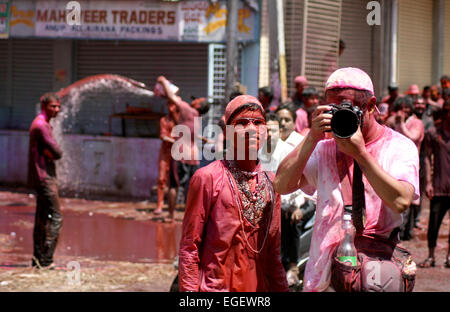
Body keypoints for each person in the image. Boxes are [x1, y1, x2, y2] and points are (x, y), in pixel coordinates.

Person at [274, 67, 419, 292]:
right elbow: (281, 185)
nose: (340, 114)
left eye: (348, 107)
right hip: (324, 277)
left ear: (370, 106)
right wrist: (311, 137)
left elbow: (401, 201)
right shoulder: (323, 148)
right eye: (333, 108)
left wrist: (360, 153)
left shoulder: (399, 146)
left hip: (375, 274)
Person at [178, 95, 289, 292]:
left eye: (258, 123)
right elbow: (189, 248)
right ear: (227, 132)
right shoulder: (207, 178)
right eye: (242, 123)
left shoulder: (273, 183)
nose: (252, 129)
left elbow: (273, 254)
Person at [157, 76, 210, 221]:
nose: (193, 100)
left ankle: (171, 215)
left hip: (180, 154)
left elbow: (171, 96)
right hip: (194, 158)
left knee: (174, 186)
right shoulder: (197, 118)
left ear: (198, 106)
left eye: (197, 100)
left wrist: (162, 81)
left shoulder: (188, 111)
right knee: (190, 188)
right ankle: (190, 217)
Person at [28, 92, 64, 269]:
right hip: (44, 177)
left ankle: (38, 259)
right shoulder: (41, 126)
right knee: (56, 217)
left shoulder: (41, 124)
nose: (57, 109)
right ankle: (47, 260)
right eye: (53, 106)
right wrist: (52, 153)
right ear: (44, 106)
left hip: (41, 175)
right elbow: (57, 152)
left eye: (58, 106)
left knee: (42, 218)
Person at [386, 96, 424, 240]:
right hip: (392, 165)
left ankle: (404, 232)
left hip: (409, 167)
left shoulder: (416, 123)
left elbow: (412, 137)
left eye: (406, 108)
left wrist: (401, 124)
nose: (404, 111)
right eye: (401, 108)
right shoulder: (392, 121)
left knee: (407, 200)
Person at [419, 102, 450, 269]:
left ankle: (449, 257)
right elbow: (427, 157)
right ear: (445, 113)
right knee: (434, 223)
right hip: (438, 186)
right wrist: (428, 182)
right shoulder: (433, 134)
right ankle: (431, 256)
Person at [154, 102, 178, 215]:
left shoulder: (180, 119)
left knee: (175, 181)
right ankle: (160, 205)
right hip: (165, 152)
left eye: (172, 104)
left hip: (178, 153)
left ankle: (172, 206)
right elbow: (163, 136)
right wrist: (175, 141)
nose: (170, 107)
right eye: (169, 104)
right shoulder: (164, 120)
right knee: (161, 178)